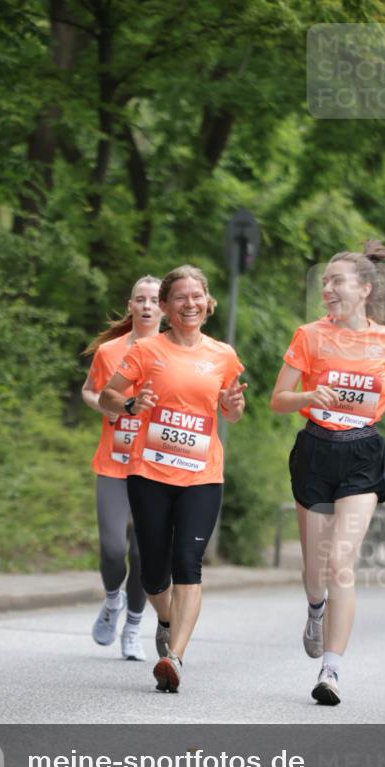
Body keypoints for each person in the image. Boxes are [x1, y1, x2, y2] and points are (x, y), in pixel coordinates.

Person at [271, 241, 385, 706]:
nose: (328, 289)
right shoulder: (309, 335)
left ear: (364, 289)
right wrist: (309, 398)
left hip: (361, 453)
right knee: (315, 572)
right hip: (316, 450)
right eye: (325, 282)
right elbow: (278, 400)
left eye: (336, 281)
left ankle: (330, 670)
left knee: (340, 564)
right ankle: (316, 609)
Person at [100, 265, 247, 692]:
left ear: (208, 303)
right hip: (149, 471)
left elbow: (232, 412)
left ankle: (174, 657)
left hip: (202, 475)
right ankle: (165, 617)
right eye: (180, 297)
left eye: (196, 296)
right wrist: (131, 404)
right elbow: (110, 395)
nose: (189, 303)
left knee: (189, 564)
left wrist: (233, 405)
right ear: (164, 306)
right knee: (152, 574)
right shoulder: (146, 351)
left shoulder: (223, 355)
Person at [81, 276, 162, 661]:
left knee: (144, 552)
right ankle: (112, 600)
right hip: (113, 462)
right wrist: (108, 407)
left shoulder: (175, 352)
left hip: (157, 466)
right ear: (130, 305)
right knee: (113, 548)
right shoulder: (110, 351)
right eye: (140, 300)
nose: (147, 306)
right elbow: (90, 390)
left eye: (154, 300)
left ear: (165, 308)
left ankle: (133, 625)